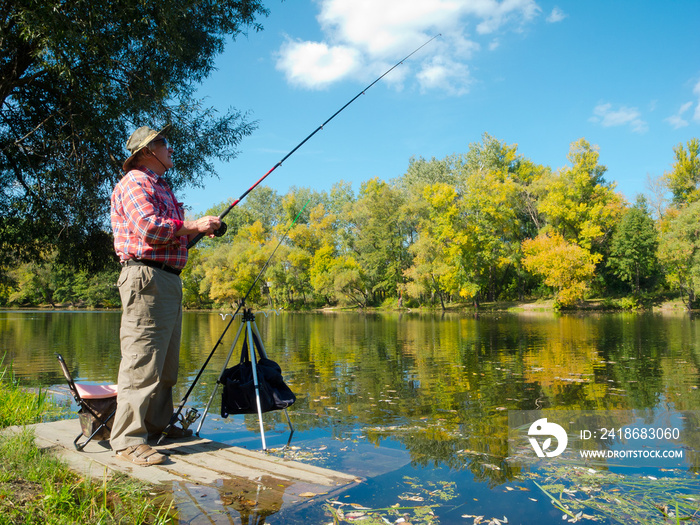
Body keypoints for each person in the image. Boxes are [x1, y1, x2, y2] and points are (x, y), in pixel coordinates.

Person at [109, 125, 222, 466]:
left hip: (167, 279)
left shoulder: (161, 187)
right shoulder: (134, 183)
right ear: (146, 152)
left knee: (166, 363)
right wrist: (192, 225)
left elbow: (171, 236)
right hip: (146, 278)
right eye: (162, 143)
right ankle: (128, 440)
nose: (169, 148)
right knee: (141, 361)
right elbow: (150, 228)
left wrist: (201, 230)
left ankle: (157, 424)